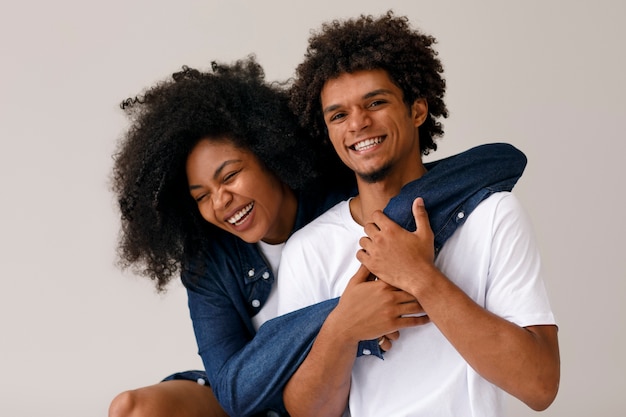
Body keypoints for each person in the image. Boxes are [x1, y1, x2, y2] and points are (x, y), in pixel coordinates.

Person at [108, 57, 527, 417]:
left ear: (269, 153)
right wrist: (343, 313)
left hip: (326, 387)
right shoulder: (208, 263)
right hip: (259, 398)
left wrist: (396, 237)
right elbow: (235, 391)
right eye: (201, 196)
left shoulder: (340, 199)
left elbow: (502, 160)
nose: (220, 201)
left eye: (230, 176)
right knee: (132, 408)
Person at [277, 11, 560, 417]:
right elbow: (308, 413)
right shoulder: (308, 249)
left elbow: (540, 386)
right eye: (338, 115)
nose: (357, 123)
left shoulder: (494, 215)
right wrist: (342, 328)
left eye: (375, 102)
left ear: (417, 111)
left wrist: (420, 277)